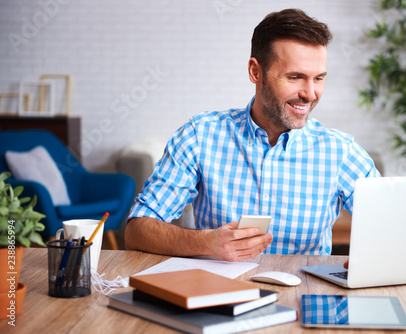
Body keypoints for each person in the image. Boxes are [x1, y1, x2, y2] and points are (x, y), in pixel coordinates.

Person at [125, 8, 380, 262]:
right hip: (222, 295)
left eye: (318, 79)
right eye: (295, 77)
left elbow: (392, 224)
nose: (310, 93)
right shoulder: (201, 135)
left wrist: (369, 259)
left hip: (306, 297)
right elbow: (136, 231)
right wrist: (206, 242)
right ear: (255, 72)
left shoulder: (340, 151)